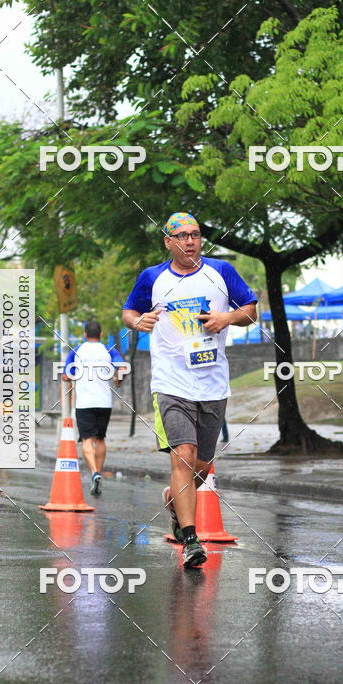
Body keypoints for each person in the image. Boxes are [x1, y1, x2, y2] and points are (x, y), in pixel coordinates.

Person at [122, 212, 257, 568]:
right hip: (170, 384)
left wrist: (227, 318)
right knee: (183, 453)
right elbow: (129, 312)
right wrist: (139, 321)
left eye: (195, 234)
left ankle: (174, 501)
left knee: (200, 466)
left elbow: (251, 309)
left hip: (213, 383)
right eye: (181, 236)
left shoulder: (221, 272)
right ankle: (191, 540)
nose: (190, 241)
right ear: (168, 241)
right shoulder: (152, 277)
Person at [62, 320, 124, 495]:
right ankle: (99, 473)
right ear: (101, 334)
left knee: (87, 439)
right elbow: (122, 368)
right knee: (101, 439)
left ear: (84, 334)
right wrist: (117, 379)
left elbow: (66, 376)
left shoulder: (77, 351)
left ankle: (94, 473)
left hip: (85, 402)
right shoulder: (109, 350)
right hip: (105, 402)